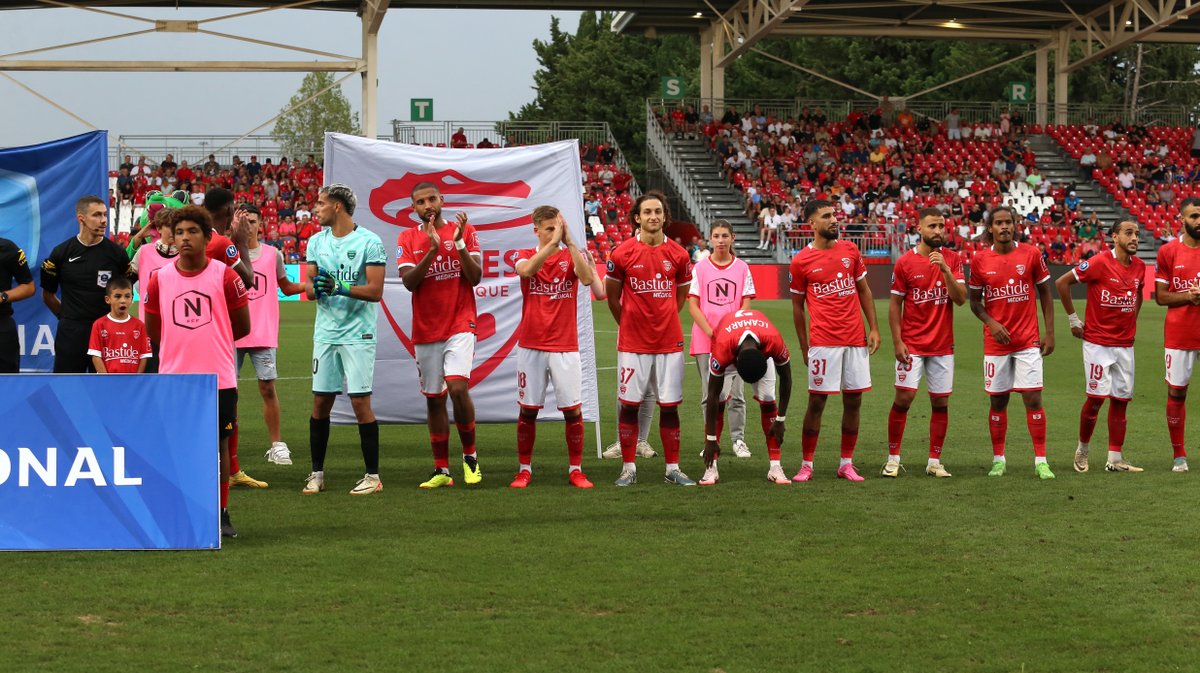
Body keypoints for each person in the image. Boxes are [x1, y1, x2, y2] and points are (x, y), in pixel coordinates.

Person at [143, 205, 250, 538]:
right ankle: (179, 508)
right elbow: (154, 330)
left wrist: (209, 342)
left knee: (218, 446)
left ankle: (221, 513)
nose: (185, 238)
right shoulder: (159, 278)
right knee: (176, 445)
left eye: (192, 231)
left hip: (218, 377)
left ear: (207, 237)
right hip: (175, 378)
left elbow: (242, 326)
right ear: (172, 238)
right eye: (179, 232)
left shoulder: (225, 275)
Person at [301, 185, 387, 495]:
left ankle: (373, 477)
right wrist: (319, 288)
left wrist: (339, 287)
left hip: (358, 334)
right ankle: (316, 474)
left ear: (337, 206)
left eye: (321, 203)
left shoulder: (369, 242)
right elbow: (309, 289)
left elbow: (376, 291)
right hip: (325, 333)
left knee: (360, 402)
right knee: (320, 402)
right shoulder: (315, 242)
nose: (316, 208)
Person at [397, 181, 484, 488]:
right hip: (426, 329)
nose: (428, 205)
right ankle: (441, 471)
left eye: (432, 198)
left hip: (460, 322)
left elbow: (475, 277)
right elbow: (409, 281)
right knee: (435, 399)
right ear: (414, 208)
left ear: (442, 199)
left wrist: (458, 244)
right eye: (420, 201)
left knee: (458, 388)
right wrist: (432, 250)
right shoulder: (407, 237)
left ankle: (470, 458)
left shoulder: (464, 231)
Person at [605, 190, 695, 487]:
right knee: (630, 405)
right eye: (647, 212)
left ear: (664, 216)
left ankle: (672, 468)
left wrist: (664, 318)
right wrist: (630, 323)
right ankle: (628, 468)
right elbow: (613, 298)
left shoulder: (679, 255)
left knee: (669, 406)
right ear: (637, 218)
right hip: (632, 344)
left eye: (658, 211)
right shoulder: (622, 253)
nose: (653, 216)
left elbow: (680, 297)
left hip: (669, 343)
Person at [789, 199, 881, 482]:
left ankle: (846, 463)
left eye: (834, 215)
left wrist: (874, 328)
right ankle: (807, 464)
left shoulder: (850, 250)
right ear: (812, 224)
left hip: (855, 339)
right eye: (826, 216)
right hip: (823, 342)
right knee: (816, 403)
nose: (834, 220)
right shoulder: (801, 260)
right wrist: (805, 347)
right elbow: (797, 308)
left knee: (854, 402)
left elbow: (864, 290)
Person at [510, 206, 595, 489]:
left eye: (557, 227)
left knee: (572, 410)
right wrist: (551, 245)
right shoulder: (524, 255)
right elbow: (527, 271)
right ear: (536, 230)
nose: (554, 233)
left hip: (565, 346)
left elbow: (586, 279)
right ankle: (524, 470)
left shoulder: (572, 256)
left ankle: (576, 470)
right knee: (528, 410)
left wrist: (569, 242)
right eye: (548, 229)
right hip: (531, 345)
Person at [968, 206, 1056, 479]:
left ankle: (1041, 460)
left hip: (1027, 340)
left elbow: (1045, 293)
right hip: (996, 344)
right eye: (999, 223)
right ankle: (998, 460)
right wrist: (991, 323)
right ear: (990, 228)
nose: (1004, 227)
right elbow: (974, 302)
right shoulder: (980, 260)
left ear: (1015, 225)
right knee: (998, 402)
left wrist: (1050, 332)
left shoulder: (1030, 254)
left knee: (1032, 398)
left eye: (1008, 222)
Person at [1055, 220, 1145, 474]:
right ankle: (1083, 449)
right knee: (1096, 399)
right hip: (1098, 343)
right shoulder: (1098, 262)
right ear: (1114, 237)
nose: (1135, 238)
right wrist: (1073, 320)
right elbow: (1062, 283)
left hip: (1125, 345)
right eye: (1129, 233)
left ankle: (1115, 458)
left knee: (1121, 400)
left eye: (1137, 234)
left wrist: (1132, 321)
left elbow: (1138, 293)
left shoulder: (1139, 267)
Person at [885, 208, 967, 478]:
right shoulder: (905, 263)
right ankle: (893, 458)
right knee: (904, 398)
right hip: (913, 344)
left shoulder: (953, 260)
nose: (938, 231)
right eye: (932, 226)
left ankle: (934, 461)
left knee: (941, 403)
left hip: (943, 346)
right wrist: (898, 341)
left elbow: (960, 298)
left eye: (942, 226)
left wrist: (945, 269)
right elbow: (895, 305)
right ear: (918, 228)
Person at [234, 204, 306, 467]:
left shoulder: (272, 255)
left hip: (262, 333)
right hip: (230, 334)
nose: (248, 225)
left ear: (261, 224)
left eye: (252, 221)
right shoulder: (227, 253)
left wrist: (309, 286)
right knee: (229, 393)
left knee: (267, 388)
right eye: (243, 221)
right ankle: (225, 447)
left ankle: (277, 445)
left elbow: (286, 287)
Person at [203, 187, 264, 489]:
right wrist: (240, 242)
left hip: (186, 335)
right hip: (216, 336)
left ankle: (232, 469)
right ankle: (231, 472)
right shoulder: (222, 243)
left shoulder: (190, 241)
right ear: (229, 212)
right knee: (226, 408)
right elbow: (249, 280)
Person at [40, 196, 134, 373]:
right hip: (71, 334)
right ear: (81, 218)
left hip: (107, 332)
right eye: (97, 215)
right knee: (66, 389)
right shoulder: (60, 253)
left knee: (106, 389)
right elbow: (48, 295)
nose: (104, 220)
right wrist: (67, 318)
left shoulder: (117, 254)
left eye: (105, 215)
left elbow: (126, 292)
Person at [699, 309, 793, 485]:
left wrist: (781, 418)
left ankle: (775, 467)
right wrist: (710, 439)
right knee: (719, 396)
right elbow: (710, 394)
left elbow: (787, 379)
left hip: (757, 341)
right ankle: (711, 469)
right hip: (729, 340)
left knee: (767, 395)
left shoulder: (774, 340)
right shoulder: (722, 349)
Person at [688, 220, 754, 459]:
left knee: (737, 395)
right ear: (710, 239)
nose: (721, 240)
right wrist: (711, 331)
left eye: (725, 235)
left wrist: (734, 331)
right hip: (706, 340)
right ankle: (710, 441)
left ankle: (738, 440)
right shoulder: (700, 268)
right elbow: (692, 305)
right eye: (716, 236)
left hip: (735, 341)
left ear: (732, 238)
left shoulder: (742, 267)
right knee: (710, 395)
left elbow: (746, 302)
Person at [1155, 197, 1200, 472]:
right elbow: (1160, 296)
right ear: (1181, 220)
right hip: (1180, 334)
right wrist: (1189, 296)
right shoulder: (1168, 252)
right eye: (1194, 216)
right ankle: (1179, 455)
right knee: (1177, 392)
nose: (1199, 221)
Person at [87, 275, 151, 374]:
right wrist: (107, 380)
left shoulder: (140, 325)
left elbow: (144, 356)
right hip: (108, 383)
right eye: (117, 296)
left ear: (132, 299)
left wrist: (136, 380)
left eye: (127, 296)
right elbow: (96, 356)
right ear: (108, 299)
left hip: (132, 383)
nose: (123, 300)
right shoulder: (99, 325)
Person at [0, 236, 36, 372]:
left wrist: (3, 296)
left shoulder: (7, 248)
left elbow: (29, 286)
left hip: (2, 328)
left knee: (7, 386)